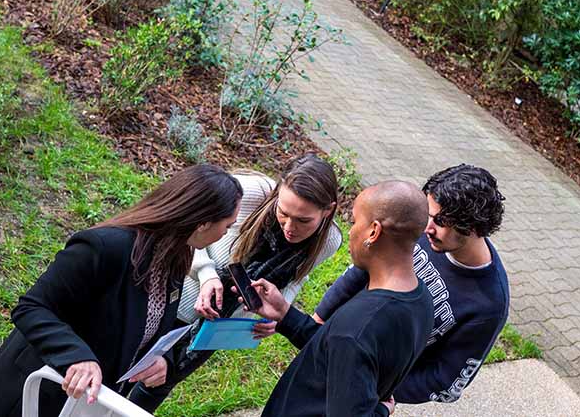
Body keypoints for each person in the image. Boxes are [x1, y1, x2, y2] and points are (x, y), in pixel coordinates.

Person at [0, 164, 243, 417]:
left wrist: (162, 360)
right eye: (227, 226)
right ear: (203, 222)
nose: (225, 234)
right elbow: (32, 307)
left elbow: (153, 324)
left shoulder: (176, 256)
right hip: (28, 395)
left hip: (80, 403)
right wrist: (77, 356)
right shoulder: (104, 247)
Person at [128, 153, 343, 412]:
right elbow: (184, 229)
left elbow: (299, 276)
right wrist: (206, 275)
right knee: (128, 367)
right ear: (276, 192)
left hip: (218, 325)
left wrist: (278, 313)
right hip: (176, 298)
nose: (289, 227)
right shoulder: (249, 192)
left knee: (159, 384)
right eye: (283, 213)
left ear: (328, 210)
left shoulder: (329, 241)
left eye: (304, 220)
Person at [314, 164, 510, 405]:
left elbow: (444, 378)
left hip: (369, 390)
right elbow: (364, 268)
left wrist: (379, 389)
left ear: (473, 228)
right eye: (429, 214)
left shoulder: (489, 305)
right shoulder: (422, 229)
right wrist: (320, 317)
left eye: (440, 221)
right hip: (336, 342)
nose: (427, 227)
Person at [247, 180, 434, 417]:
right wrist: (286, 314)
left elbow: (348, 342)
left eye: (355, 222)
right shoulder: (421, 300)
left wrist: (379, 412)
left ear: (373, 231)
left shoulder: (357, 327)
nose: (351, 231)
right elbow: (338, 355)